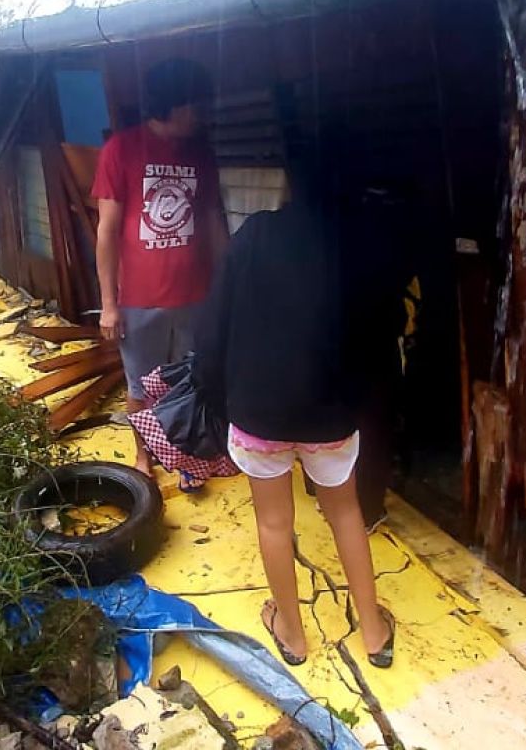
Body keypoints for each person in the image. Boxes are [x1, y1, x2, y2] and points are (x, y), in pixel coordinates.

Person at [193, 137, 396, 668]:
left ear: (293, 180)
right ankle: (373, 632)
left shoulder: (256, 234)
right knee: (346, 514)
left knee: (274, 523)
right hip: (330, 412)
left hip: (258, 412)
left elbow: (213, 328)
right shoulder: (360, 244)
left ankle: (291, 633)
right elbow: (383, 333)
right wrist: (359, 402)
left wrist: (216, 396)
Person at [92, 58, 227, 480]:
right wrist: (109, 305)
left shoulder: (201, 152)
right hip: (139, 299)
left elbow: (211, 221)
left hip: (196, 293)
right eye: (195, 104)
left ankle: (187, 457)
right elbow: (107, 231)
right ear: (171, 104)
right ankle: (143, 457)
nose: (203, 112)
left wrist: (228, 285)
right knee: (140, 385)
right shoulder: (121, 149)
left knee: (192, 383)